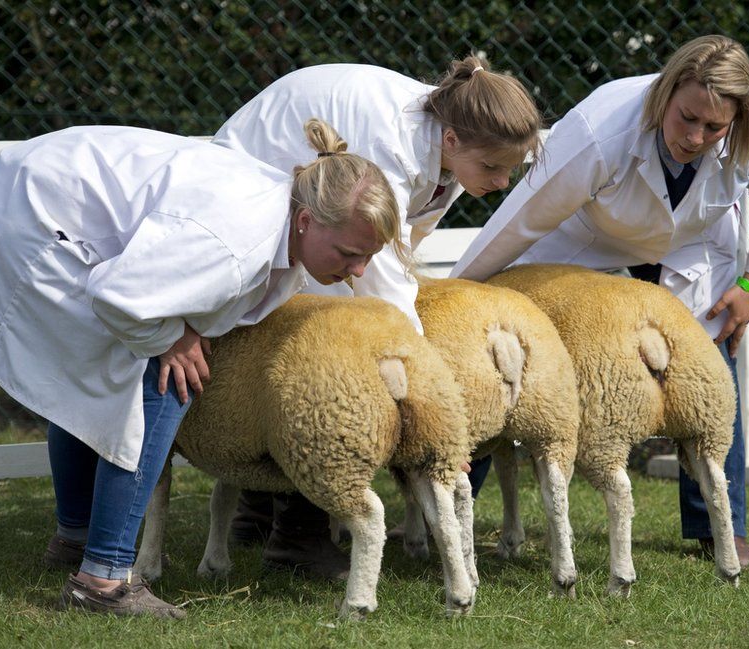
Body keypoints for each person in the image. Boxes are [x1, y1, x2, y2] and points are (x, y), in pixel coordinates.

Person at [0, 119, 401, 618]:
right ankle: (103, 580)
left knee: (93, 379)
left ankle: (75, 540)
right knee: (165, 381)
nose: (358, 271)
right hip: (35, 219)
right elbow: (120, 295)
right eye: (349, 254)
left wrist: (175, 330)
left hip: (37, 191)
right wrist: (173, 337)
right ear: (305, 221)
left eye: (368, 257)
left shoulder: (278, 209)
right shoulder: (237, 242)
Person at [451, 35, 749, 569]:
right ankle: (451, 498)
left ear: (738, 117)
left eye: (714, 127)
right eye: (686, 117)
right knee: (501, 333)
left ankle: (719, 526)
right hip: (588, 230)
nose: (696, 137)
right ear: (666, 92)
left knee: (709, 360)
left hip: (692, 240)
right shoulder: (600, 129)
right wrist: (460, 296)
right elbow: (519, 221)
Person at [213, 56, 544, 576]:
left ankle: (259, 513)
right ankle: (298, 537)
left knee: (321, 336)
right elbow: (382, 281)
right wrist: (435, 405)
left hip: (314, 208)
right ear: (452, 140)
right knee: (332, 355)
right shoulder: (390, 145)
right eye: (492, 168)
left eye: (510, 170)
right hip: (258, 186)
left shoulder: (452, 151)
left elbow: (406, 238)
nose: (502, 182)